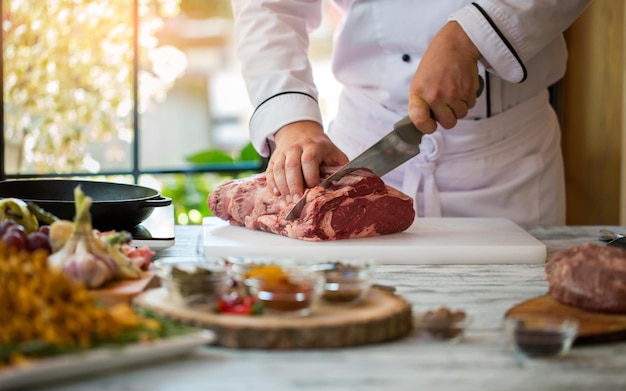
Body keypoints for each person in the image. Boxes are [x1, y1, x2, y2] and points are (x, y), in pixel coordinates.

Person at [229, 1, 591, 226]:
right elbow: (270, 6)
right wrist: (294, 122)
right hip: (358, 149)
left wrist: (475, 35)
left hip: (505, 165)